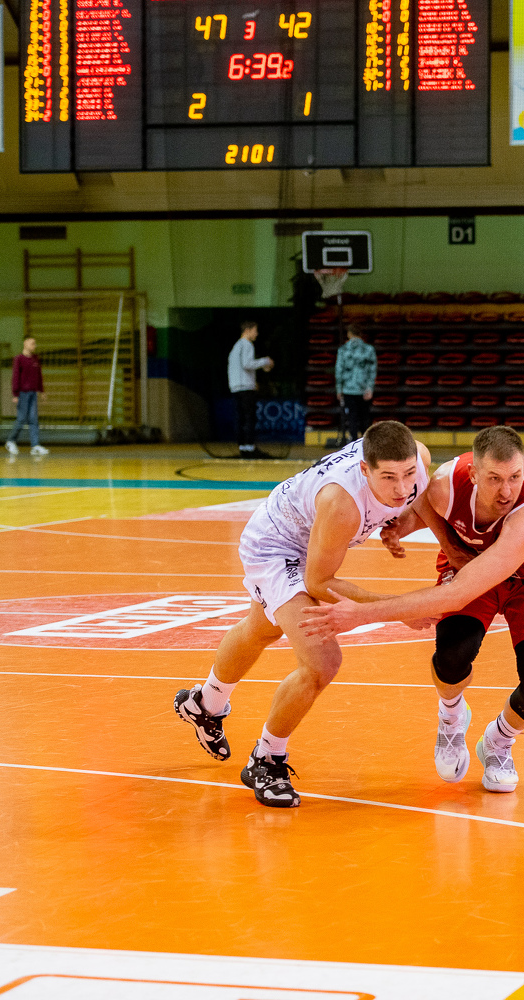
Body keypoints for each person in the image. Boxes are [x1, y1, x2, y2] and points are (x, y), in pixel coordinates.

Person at [174, 421, 433, 808]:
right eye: (389, 478)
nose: (401, 488)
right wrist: (396, 610)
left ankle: (204, 703)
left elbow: (423, 500)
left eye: (408, 474)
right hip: (275, 546)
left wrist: (402, 524)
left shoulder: (419, 459)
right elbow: (320, 582)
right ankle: (266, 759)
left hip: (306, 532)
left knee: (261, 629)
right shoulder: (341, 502)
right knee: (322, 661)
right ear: (365, 470)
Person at [302, 426, 524, 796]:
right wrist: (410, 527)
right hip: (469, 562)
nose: (506, 491)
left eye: (515, 477)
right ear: (473, 474)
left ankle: (498, 741)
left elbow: (458, 594)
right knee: (451, 658)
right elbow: (422, 501)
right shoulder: (446, 483)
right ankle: (451, 713)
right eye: (494, 479)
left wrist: (365, 613)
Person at [228, 320, 275, 459]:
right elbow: (247, 364)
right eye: (255, 330)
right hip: (245, 388)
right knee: (249, 417)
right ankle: (249, 447)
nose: (257, 333)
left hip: (236, 387)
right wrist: (265, 361)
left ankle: (243, 447)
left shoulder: (236, 346)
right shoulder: (247, 344)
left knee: (240, 418)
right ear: (247, 330)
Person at [5, 337, 48, 457]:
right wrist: (15, 394)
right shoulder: (19, 359)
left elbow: (39, 376)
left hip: (33, 393)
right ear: (25, 343)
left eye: (35, 343)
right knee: (21, 418)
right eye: (32, 343)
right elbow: (15, 376)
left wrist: (41, 391)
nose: (35, 345)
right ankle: (11, 441)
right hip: (23, 393)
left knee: (34, 419)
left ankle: (35, 445)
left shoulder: (35, 359)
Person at [334, 324, 377, 441]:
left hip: (348, 390)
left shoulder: (343, 350)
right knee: (365, 418)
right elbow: (372, 371)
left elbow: (339, 370)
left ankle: (353, 442)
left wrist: (339, 389)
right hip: (364, 390)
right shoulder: (369, 349)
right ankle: (365, 443)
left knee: (352, 417)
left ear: (349, 333)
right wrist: (370, 388)